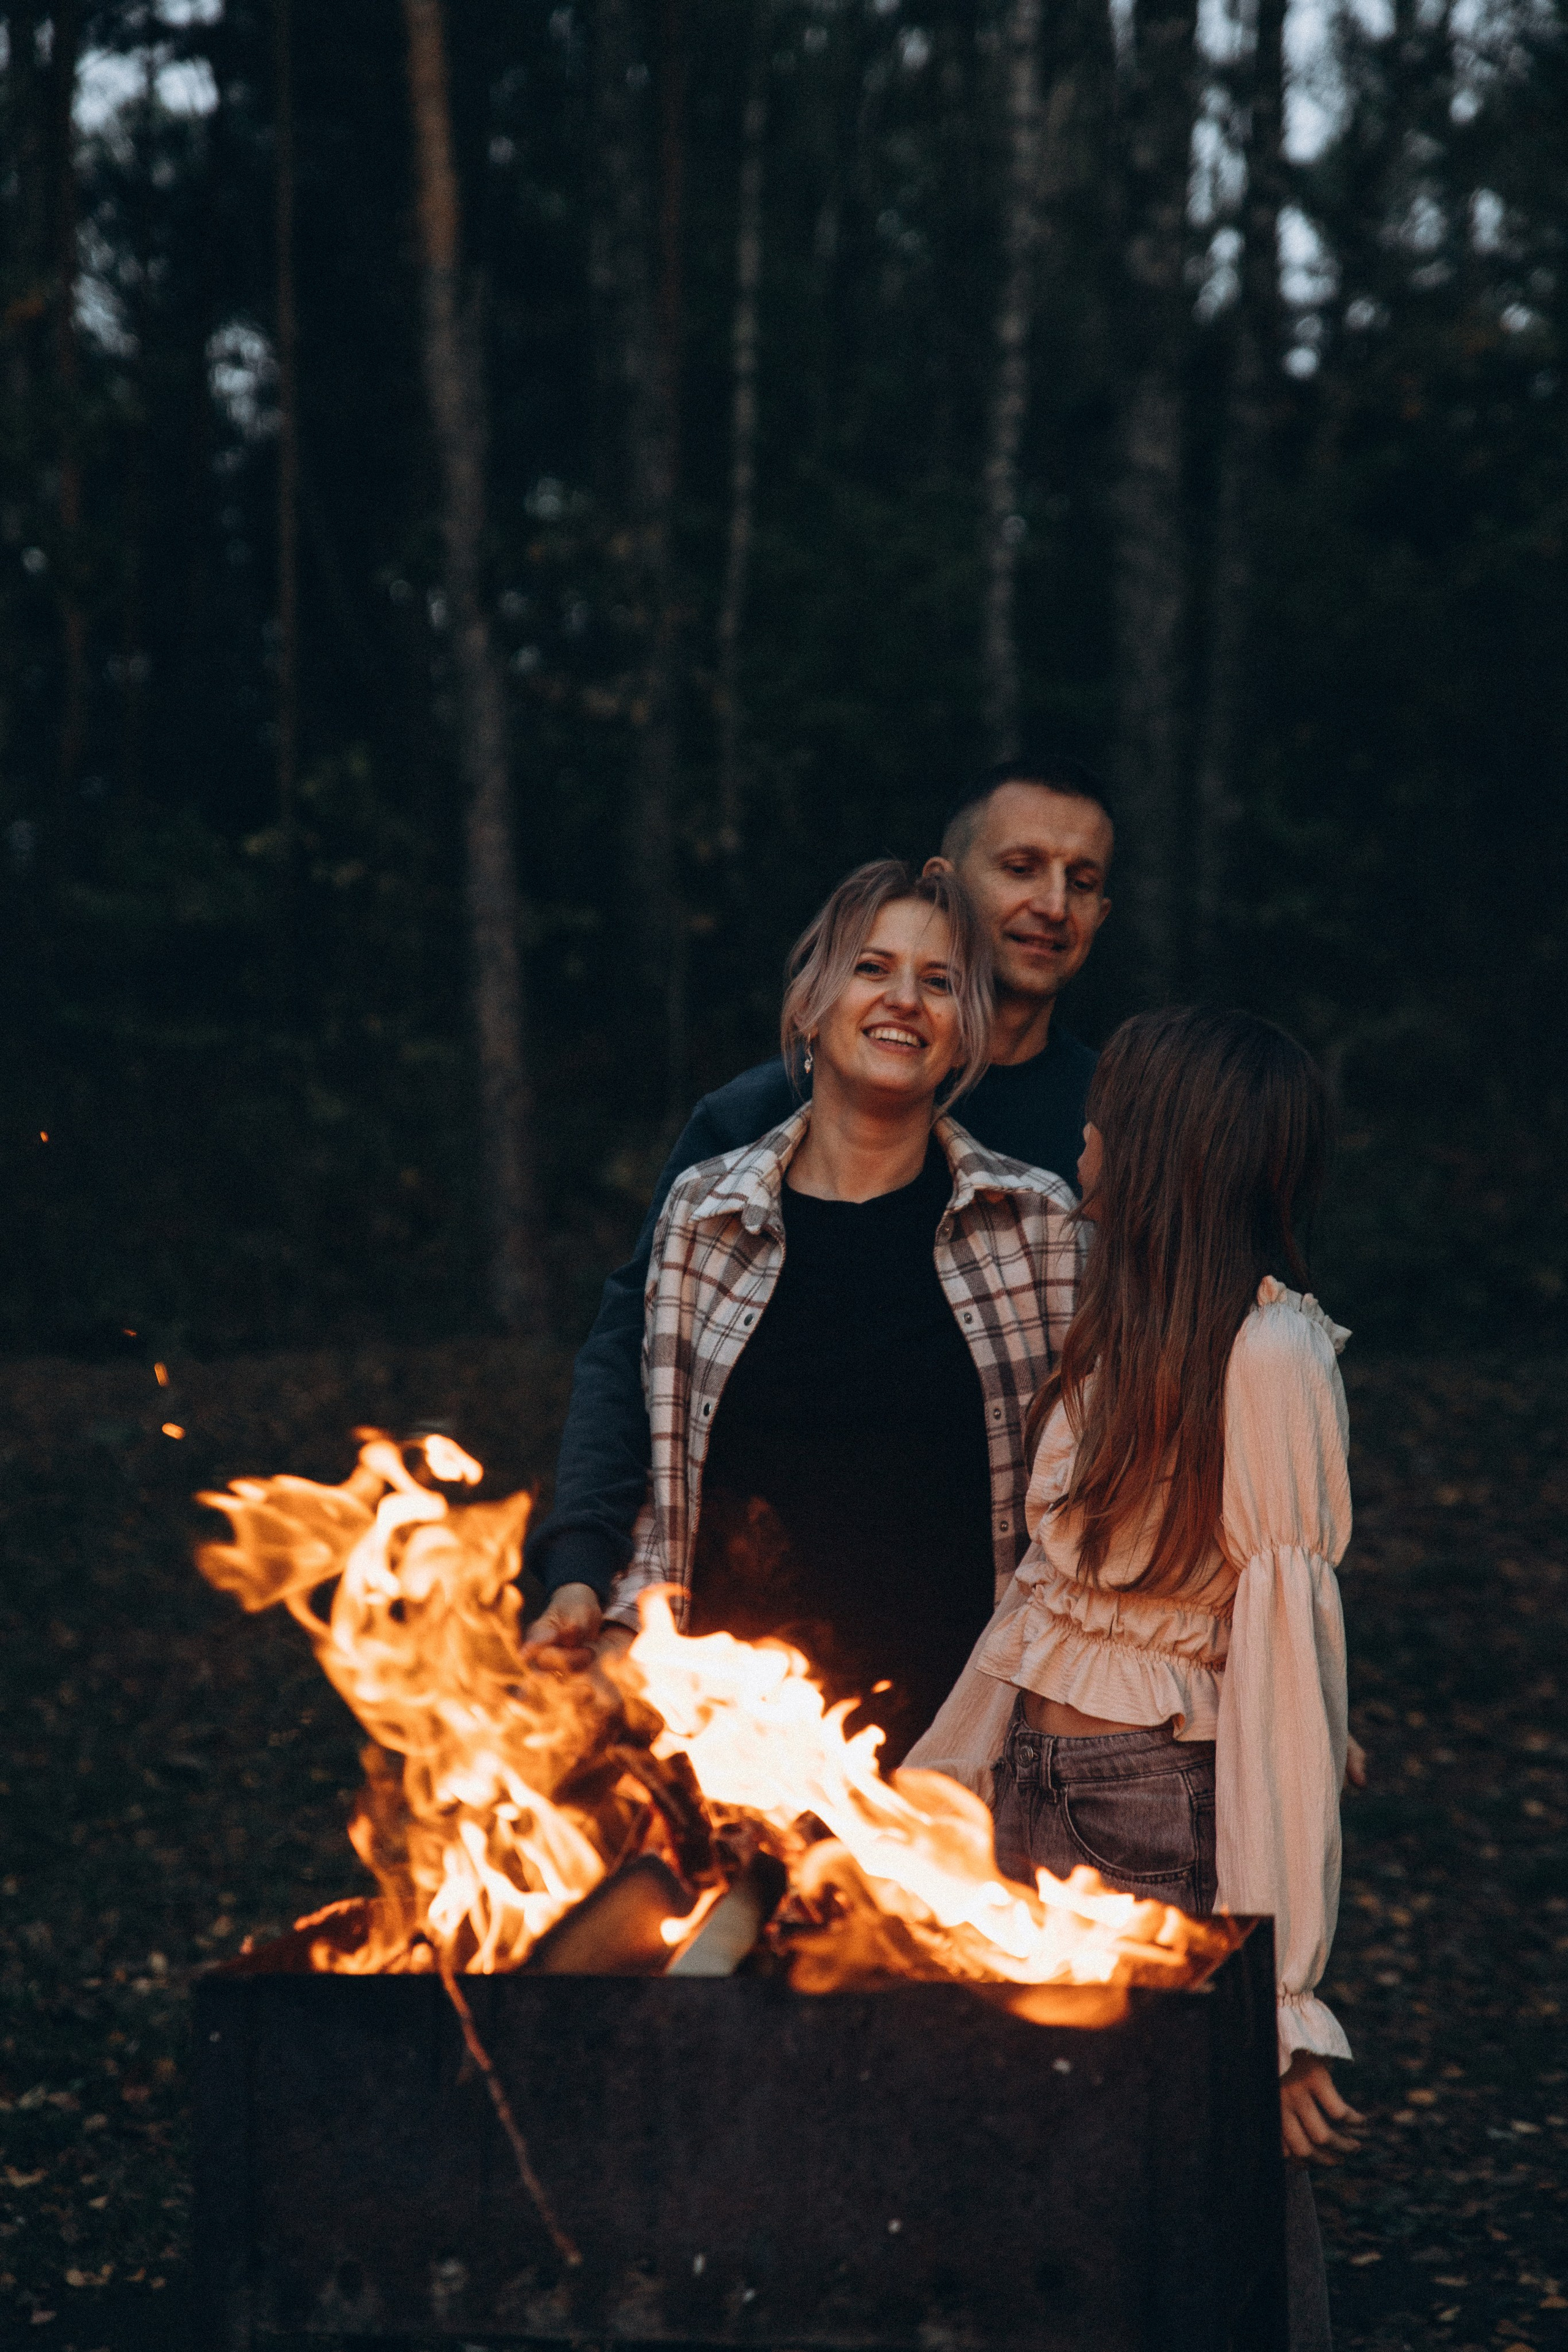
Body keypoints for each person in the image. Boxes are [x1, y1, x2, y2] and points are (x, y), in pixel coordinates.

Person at [907, 1006, 1365, 2348]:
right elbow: (1040, 1612)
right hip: (1036, 1793)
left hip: (1156, 1814)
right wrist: (937, 1788)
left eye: (1108, 1114)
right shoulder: (1112, 1324)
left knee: (1204, 2188)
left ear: (1167, 1150)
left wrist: (1275, 1998)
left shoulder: (1269, 1355)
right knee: (1043, 2182)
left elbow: (1283, 1667)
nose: (1082, 1134)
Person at [526, 753, 1114, 1653]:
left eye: (1083, 881)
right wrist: (585, 1567)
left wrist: (1270, 1667)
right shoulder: (742, 1137)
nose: (1053, 905)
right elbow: (638, 1369)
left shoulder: (1103, 1141)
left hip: (974, 1677)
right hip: (747, 1679)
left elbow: (1163, 1412)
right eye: (1022, 867)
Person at [586, 858, 1081, 1765]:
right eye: (871, 968)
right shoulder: (704, 1215)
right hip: (734, 1745)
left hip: (959, 1756)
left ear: (967, 1033)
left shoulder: (1037, 1224)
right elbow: (665, 1486)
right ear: (811, 1004)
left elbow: (1084, 1505)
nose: (905, 1000)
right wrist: (622, 1633)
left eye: (940, 983)